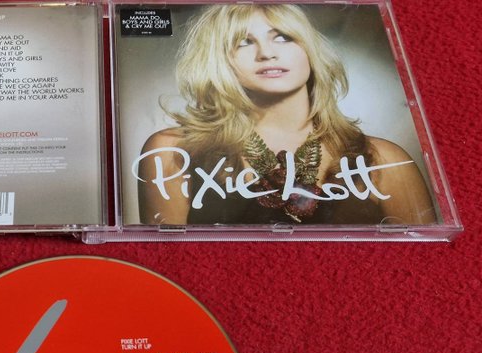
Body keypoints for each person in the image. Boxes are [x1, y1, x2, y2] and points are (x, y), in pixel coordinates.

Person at [135, 4, 436, 226]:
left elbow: (421, 263)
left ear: (309, 51)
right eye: (243, 42)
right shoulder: (172, 152)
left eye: (283, 37)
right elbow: (167, 261)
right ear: (219, 62)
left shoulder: (385, 159)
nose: (266, 53)